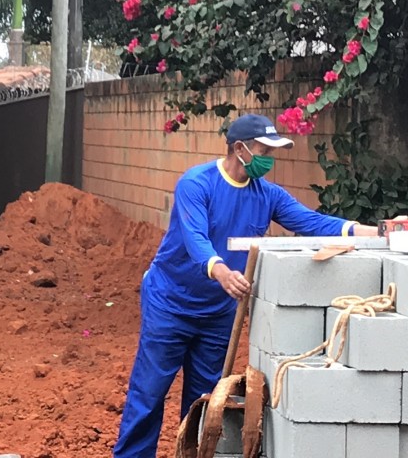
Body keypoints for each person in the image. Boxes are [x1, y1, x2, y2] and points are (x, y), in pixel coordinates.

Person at [112, 113, 379, 458]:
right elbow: (195, 238)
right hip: (171, 304)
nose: (270, 158)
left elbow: (312, 221)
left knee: (204, 400)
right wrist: (220, 271)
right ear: (240, 149)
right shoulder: (197, 184)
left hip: (219, 311)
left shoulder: (267, 195)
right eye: (264, 149)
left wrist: (381, 232)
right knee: (149, 392)